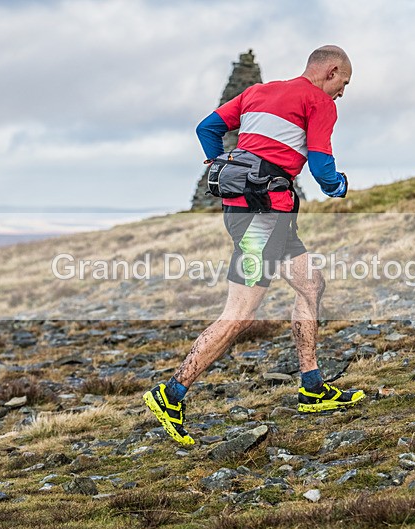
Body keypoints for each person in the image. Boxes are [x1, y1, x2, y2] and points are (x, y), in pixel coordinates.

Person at [143, 45, 365, 446]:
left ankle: (312, 387)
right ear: (330, 71)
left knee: (310, 283)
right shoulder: (319, 102)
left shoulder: (257, 93)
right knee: (240, 312)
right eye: (343, 83)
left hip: (256, 211)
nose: (342, 93)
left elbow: (206, 129)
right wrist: (338, 186)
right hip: (265, 217)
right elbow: (320, 165)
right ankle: (171, 393)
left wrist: (218, 165)